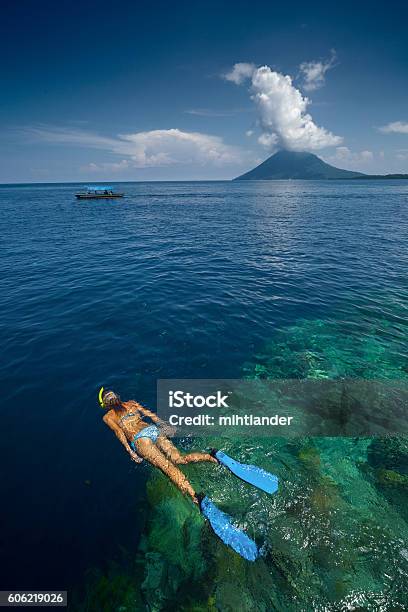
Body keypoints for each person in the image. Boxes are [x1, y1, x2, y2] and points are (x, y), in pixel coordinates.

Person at [100, 389, 217, 505]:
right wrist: (164, 425)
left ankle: (194, 495)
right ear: (118, 396)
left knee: (167, 467)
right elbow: (150, 414)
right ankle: (210, 456)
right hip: (153, 430)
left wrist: (130, 451)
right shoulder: (132, 403)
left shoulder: (108, 417)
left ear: (105, 404)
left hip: (140, 440)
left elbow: (119, 432)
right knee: (179, 459)